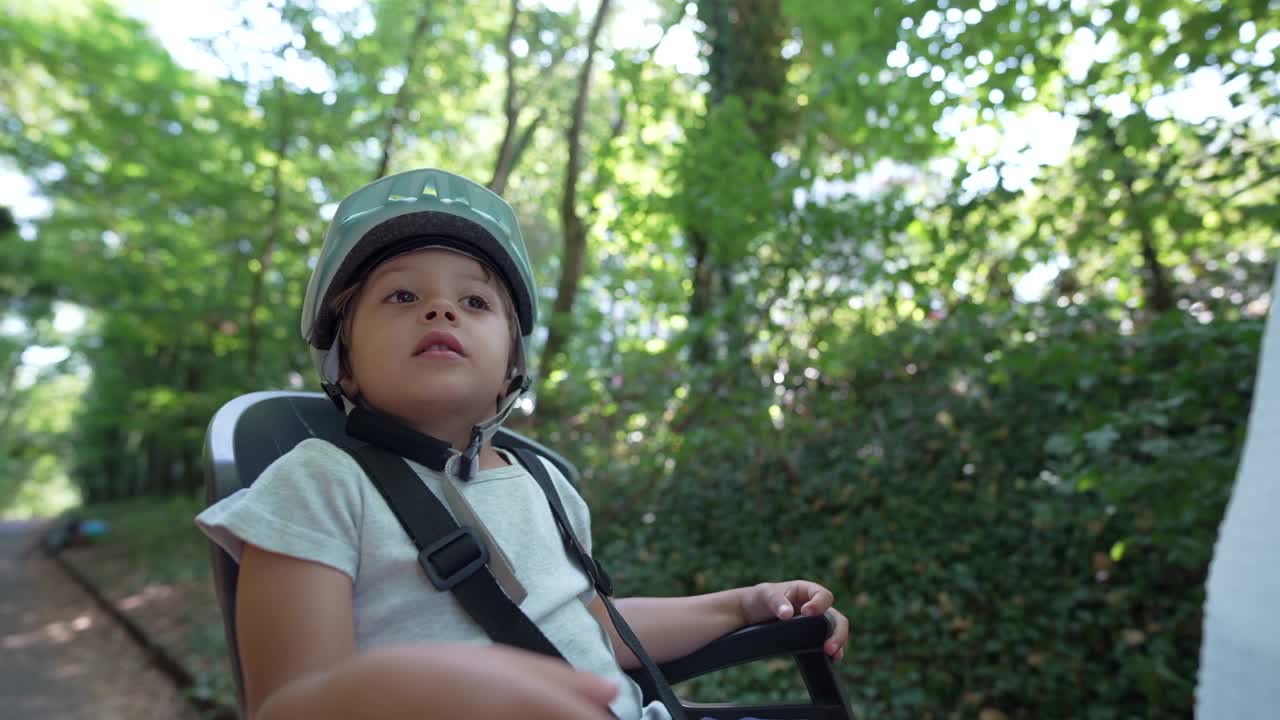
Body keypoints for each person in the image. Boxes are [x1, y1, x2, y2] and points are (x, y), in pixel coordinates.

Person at [197, 168, 849, 720]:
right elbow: (288, 703)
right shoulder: (316, 484)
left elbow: (587, 626)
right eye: (402, 294)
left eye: (475, 301)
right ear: (343, 363)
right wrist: (426, 686)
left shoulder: (543, 480)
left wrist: (740, 605)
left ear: (513, 366)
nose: (440, 310)